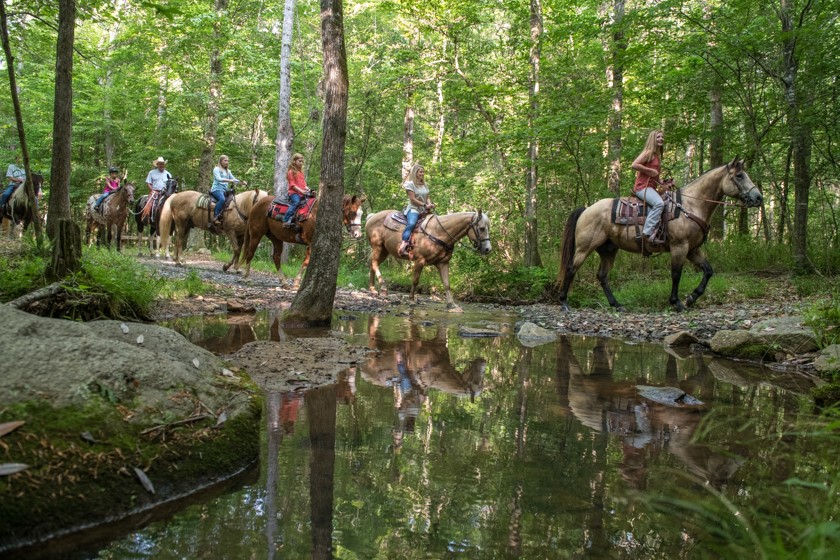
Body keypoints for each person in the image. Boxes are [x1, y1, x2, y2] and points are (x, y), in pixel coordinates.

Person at [631, 130, 669, 245]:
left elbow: (655, 177)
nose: (661, 139)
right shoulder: (648, 152)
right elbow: (634, 165)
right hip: (642, 187)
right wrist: (649, 170)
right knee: (659, 204)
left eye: (662, 137)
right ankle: (647, 233)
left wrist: (665, 183)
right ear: (653, 139)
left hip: (651, 187)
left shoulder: (656, 156)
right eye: (658, 137)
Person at [397, 162, 434, 257]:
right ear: (415, 173)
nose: (422, 174)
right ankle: (404, 244)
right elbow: (413, 199)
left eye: (423, 172)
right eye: (420, 172)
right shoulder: (410, 184)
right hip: (413, 209)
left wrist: (430, 204)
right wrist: (425, 205)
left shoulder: (424, 184)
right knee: (412, 223)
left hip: (424, 210)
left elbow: (427, 196)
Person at [210, 154, 245, 226]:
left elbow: (234, 179)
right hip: (216, 189)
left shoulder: (228, 171)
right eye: (225, 160)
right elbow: (219, 179)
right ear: (221, 161)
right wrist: (230, 180)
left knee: (233, 200)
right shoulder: (216, 169)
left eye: (228, 161)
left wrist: (241, 182)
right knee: (222, 199)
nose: (227, 162)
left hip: (224, 190)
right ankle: (215, 216)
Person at [281, 153, 310, 227]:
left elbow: (304, 185)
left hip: (301, 192)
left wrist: (308, 189)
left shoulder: (301, 173)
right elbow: (292, 185)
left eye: (302, 161)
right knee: (296, 202)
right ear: (294, 161)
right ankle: (285, 220)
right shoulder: (291, 172)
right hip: (294, 193)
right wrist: (301, 191)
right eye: (299, 161)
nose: (301, 163)